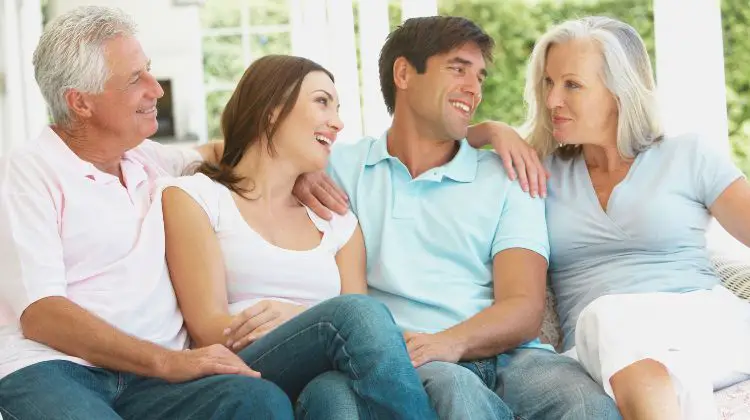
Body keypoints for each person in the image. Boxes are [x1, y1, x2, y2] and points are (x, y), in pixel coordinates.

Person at [294, 16, 619, 420]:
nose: (475, 89)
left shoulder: (509, 175)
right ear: (404, 73)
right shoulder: (342, 166)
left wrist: (452, 342)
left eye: (480, 76)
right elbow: (240, 153)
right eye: (458, 69)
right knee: (455, 390)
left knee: (588, 406)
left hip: (512, 359)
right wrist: (299, 170)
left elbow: (523, 306)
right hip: (409, 359)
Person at [0, 6, 294, 419]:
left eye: (150, 71)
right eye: (135, 79)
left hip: (154, 382)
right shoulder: (28, 171)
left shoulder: (146, 159)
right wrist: (168, 362)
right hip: (56, 368)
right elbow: (42, 315)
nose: (156, 90)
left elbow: (221, 154)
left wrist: (299, 172)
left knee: (260, 402)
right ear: (80, 102)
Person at [472, 16, 750, 420]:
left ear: (619, 92)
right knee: (615, 324)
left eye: (572, 84)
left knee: (615, 319)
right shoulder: (537, 172)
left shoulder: (689, 155)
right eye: (548, 83)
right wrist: (491, 130)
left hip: (704, 324)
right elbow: (435, 145)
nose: (552, 101)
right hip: (601, 345)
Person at [160, 54, 437, 420]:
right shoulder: (197, 197)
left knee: (334, 396)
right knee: (357, 314)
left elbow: (366, 344)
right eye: (322, 101)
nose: (337, 123)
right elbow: (207, 328)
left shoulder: (337, 223)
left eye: (337, 108)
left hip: (321, 375)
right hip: (237, 367)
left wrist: (301, 319)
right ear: (272, 109)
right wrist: (315, 324)